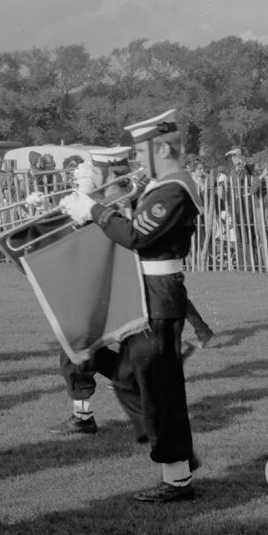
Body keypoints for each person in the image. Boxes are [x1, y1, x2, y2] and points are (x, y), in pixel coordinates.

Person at [60, 109, 199, 503]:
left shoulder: (175, 188)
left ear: (161, 148)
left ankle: (176, 479)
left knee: (160, 392)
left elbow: (137, 235)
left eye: (141, 152)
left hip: (158, 297)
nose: (136, 160)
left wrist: (96, 211)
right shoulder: (163, 185)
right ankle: (177, 465)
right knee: (129, 375)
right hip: (146, 294)